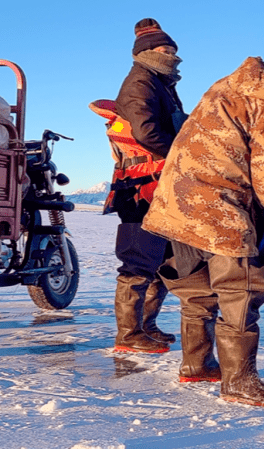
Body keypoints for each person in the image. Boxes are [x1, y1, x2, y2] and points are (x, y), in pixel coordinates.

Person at [142, 50, 264, 406]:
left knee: (198, 290)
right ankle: (239, 382)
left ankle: (197, 365)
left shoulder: (236, 85)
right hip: (220, 207)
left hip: (178, 203)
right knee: (241, 291)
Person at [111, 18, 187, 353]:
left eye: (173, 49)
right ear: (146, 53)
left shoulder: (160, 83)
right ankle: (128, 335)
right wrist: (183, 157)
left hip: (159, 186)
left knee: (163, 257)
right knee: (139, 259)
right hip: (140, 186)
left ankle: (147, 325)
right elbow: (146, 133)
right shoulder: (140, 83)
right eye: (164, 49)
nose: (171, 55)